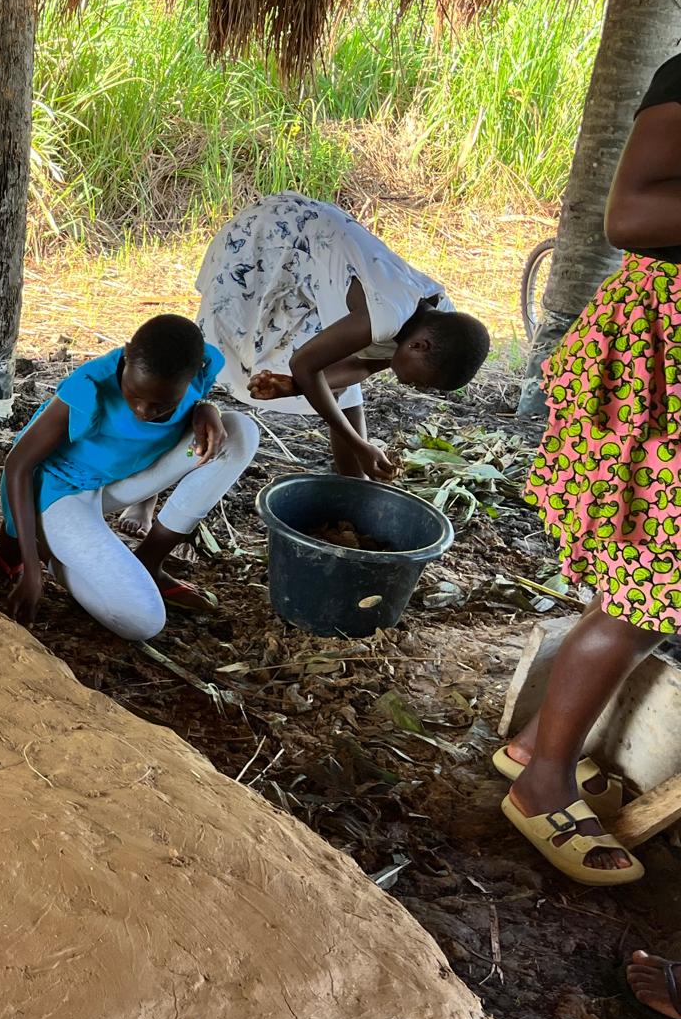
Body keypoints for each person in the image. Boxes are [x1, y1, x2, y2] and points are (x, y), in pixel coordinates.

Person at [499, 52, 681, 886]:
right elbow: (632, 216)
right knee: (648, 590)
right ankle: (542, 785)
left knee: (640, 580)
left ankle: (537, 743)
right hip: (662, 360)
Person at [0, 314, 258, 640]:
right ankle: (50, 554)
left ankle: (149, 560)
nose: (144, 411)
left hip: (118, 481)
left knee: (238, 431)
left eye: (162, 405)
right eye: (134, 394)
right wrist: (30, 568)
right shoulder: (88, 387)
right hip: (62, 492)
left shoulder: (191, 372)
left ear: (191, 378)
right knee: (143, 621)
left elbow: (186, 409)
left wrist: (205, 407)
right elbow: (18, 464)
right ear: (127, 353)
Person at [195, 191, 491, 480]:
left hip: (311, 267)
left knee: (330, 377)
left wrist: (295, 387)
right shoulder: (386, 316)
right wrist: (359, 445)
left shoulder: (438, 318)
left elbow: (361, 366)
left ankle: (353, 484)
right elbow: (305, 365)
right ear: (419, 346)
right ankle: (179, 420)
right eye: (422, 382)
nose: (413, 387)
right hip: (276, 236)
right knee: (230, 337)